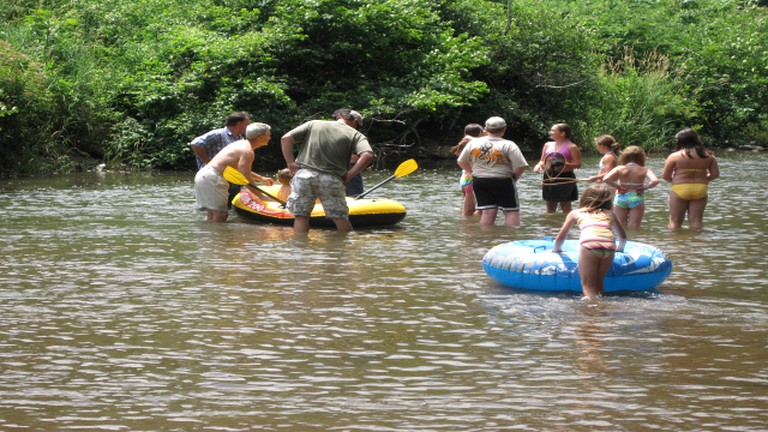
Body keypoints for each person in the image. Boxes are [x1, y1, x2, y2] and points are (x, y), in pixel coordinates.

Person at [281, 108, 374, 233]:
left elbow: (286, 138)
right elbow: (367, 155)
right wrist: (350, 175)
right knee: (339, 217)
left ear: (337, 117)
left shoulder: (314, 123)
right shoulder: (356, 134)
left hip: (304, 175)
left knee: (301, 216)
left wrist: (290, 163)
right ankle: (345, 249)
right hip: (332, 179)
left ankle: (300, 250)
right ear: (355, 121)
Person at [553, 184, 627, 299]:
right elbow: (622, 237)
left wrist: (557, 249)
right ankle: (603, 308)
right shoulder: (610, 214)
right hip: (609, 246)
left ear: (585, 198)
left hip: (590, 245)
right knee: (599, 283)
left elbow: (561, 237)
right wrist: (620, 249)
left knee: (587, 285)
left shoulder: (576, 213)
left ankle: (593, 312)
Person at [194, 122, 274, 222]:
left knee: (212, 213)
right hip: (213, 178)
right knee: (221, 214)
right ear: (260, 137)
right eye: (268, 135)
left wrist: (261, 178)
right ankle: (218, 237)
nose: (270, 137)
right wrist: (260, 196)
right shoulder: (247, 151)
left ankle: (211, 236)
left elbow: (240, 169)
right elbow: (245, 175)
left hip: (204, 175)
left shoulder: (240, 144)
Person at [456, 116, 528, 227]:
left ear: (486, 129)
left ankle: (486, 238)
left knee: (487, 211)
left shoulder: (473, 143)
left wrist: (473, 173)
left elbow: (461, 161)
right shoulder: (509, 144)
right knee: (511, 211)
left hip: (479, 181)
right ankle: (512, 238)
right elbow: (521, 165)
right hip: (502, 180)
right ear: (504, 129)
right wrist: (514, 178)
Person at [662, 128, 720, 230]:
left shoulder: (674, 156)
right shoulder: (708, 156)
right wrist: (704, 179)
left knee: (675, 221)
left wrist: (675, 181)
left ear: (681, 141)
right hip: (700, 188)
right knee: (696, 220)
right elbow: (715, 174)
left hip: (680, 188)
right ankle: (696, 243)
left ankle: (674, 243)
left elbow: (665, 176)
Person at [189, 112, 251, 204]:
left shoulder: (240, 139)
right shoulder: (218, 134)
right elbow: (195, 144)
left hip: (231, 176)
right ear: (239, 124)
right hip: (214, 175)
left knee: (229, 205)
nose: (248, 126)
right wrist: (208, 162)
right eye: (247, 123)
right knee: (213, 208)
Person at [602, 146, 659, 229]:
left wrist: (618, 187)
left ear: (624, 157)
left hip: (621, 197)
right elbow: (655, 181)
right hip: (636, 197)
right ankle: (633, 239)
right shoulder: (644, 169)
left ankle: (622, 241)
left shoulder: (619, 168)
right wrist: (644, 188)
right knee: (634, 226)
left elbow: (606, 179)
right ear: (641, 157)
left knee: (620, 226)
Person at [533, 123, 583, 213]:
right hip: (549, 176)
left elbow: (578, 164)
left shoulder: (572, 147)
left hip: (565, 176)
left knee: (565, 204)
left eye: (553, 131)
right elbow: (542, 160)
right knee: (550, 204)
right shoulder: (547, 145)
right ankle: (550, 225)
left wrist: (564, 164)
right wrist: (538, 166)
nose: (550, 132)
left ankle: (567, 224)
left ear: (562, 133)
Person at [450, 123, 485, 217]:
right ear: (480, 133)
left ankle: (468, 229)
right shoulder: (476, 144)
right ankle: (471, 229)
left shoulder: (465, 143)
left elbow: (457, 154)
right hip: (472, 179)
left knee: (471, 210)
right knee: (475, 211)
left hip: (465, 179)